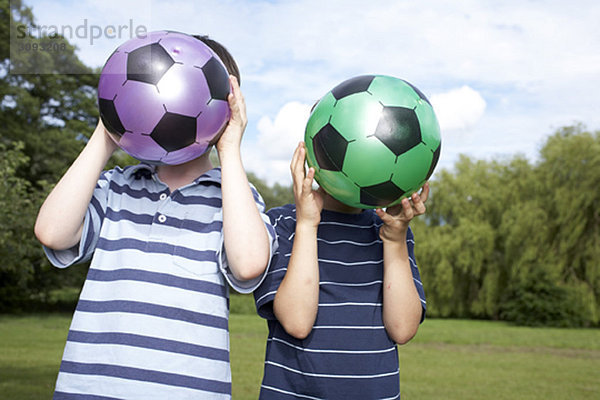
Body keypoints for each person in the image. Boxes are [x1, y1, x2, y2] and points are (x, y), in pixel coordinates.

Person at [34, 36, 275, 399]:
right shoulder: (118, 186)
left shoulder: (234, 198)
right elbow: (53, 233)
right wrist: (109, 127)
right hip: (90, 389)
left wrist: (230, 150)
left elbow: (249, 265)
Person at [254, 142, 427, 399]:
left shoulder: (391, 229)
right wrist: (307, 225)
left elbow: (402, 329)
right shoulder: (284, 223)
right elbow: (297, 322)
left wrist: (394, 240)